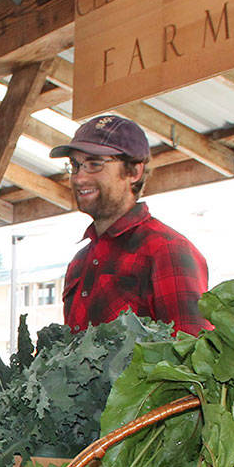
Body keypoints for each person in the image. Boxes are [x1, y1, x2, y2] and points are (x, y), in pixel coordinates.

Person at [49, 114, 210, 336]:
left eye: (94, 164)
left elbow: (192, 355)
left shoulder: (167, 250)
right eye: (75, 166)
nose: (78, 178)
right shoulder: (80, 261)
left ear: (134, 172)